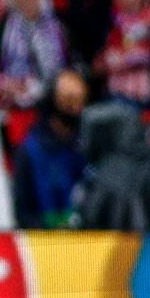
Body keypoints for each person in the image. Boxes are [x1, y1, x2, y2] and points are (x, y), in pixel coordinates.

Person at [13, 69, 89, 228]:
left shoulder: (86, 148)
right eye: (69, 100)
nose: (75, 108)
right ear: (53, 101)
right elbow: (22, 212)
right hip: (43, 243)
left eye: (80, 101)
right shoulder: (29, 150)